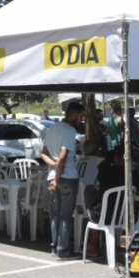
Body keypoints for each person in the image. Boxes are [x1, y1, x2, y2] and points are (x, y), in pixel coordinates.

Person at [40, 101, 83, 258]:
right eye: (81, 116)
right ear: (73, 115)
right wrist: (58, 175)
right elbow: (63, 156)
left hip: (52, 176)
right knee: (66, 216)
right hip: (67, 177)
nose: (81, 120)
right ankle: (63, 249)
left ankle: (55, 247)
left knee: (56, 215)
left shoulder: (52, 128)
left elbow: (43, 153)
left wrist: (53, 166)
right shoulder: (70, 130)